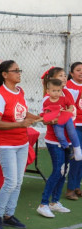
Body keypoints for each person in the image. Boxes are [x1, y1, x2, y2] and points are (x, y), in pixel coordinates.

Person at [0, 60, 41, 229]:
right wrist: (21, 125)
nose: (19, 73)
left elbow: (23, 113)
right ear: (5, 74)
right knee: (10, 182)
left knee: (18, 182)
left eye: (19, 70)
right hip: (6, 146)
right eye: (15, 70)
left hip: (22, 143)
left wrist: (41, 118)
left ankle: (8, 215)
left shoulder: (20, 91)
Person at [37, 68, 77, 217]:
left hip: (67, 140)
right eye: (60, 76)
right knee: (57, 171)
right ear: (51, 80)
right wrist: (59, 118)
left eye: (65, 75)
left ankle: (54, 202)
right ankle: (43, 203)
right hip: (54, 141)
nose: (64, 77)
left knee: (64, 171)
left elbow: (72, 111)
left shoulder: (66, 94)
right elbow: (47, 119)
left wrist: (66, 114)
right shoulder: (47, 99)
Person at [42, 78, 82, 160]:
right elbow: (46, 113)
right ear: (48, 91)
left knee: (72, 132)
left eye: (59, 91)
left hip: (67, 118)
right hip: (57, 122)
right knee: (59, 135)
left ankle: (77, 149)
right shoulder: (47, 102)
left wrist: (70, 109)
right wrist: (50, 117)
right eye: (54, 91)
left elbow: (71, 105)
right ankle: (66, 147)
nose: (57, 93)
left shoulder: (64, 99)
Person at [65, 62, 82, 200]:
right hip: (74, 125)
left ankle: (77, 186)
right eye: (78, 70)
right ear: (71, 73)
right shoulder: (68, 87)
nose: (81, 72)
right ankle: (70, 189)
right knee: (76, 156)